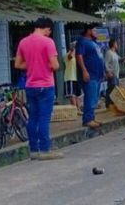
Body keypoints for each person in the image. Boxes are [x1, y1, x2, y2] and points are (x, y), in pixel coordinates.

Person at [14, 17, 62, 160]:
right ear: (47, 28)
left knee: (33, 118)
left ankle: (34, 150)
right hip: (46, 85)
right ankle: (45, 149)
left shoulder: (23, 42)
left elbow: (17, 64)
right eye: (49, 31)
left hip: (30, 86)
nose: (49, 33)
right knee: (44, 119)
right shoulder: (48, 42)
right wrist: (44, 64)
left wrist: (32, 64)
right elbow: (55, 65)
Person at [76, 24, 105, 129]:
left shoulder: (93, 42)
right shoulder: (82, 41)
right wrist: (84, 71)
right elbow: (79, 56)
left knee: (94, 98)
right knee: (90, 97)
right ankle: (88, 119)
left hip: (97, 74)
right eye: (94, 30)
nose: (96, 32)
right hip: (90, 74)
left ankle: (91, 118)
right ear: (88, 31)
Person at [64, 41, 82, 112]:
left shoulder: (77, 56)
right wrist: (73, 50)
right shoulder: (67, 55)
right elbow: (70, 57)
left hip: (77, 78)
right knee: (72, 95)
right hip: (70, 78)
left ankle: (79, 109)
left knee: (78, 95)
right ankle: (75, 110)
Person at [104, 38, 122, 107]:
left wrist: (123, 59)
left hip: (116, 74)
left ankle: (113, 104)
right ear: (113, 44)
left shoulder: (114, 53)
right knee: (111, 89)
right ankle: (108, 104)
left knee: (115, 89)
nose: (117, 45)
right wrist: (108, 72)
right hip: (112, 74)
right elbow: (105, 64)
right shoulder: (109, 53)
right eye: (116, 43)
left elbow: (118, 59)